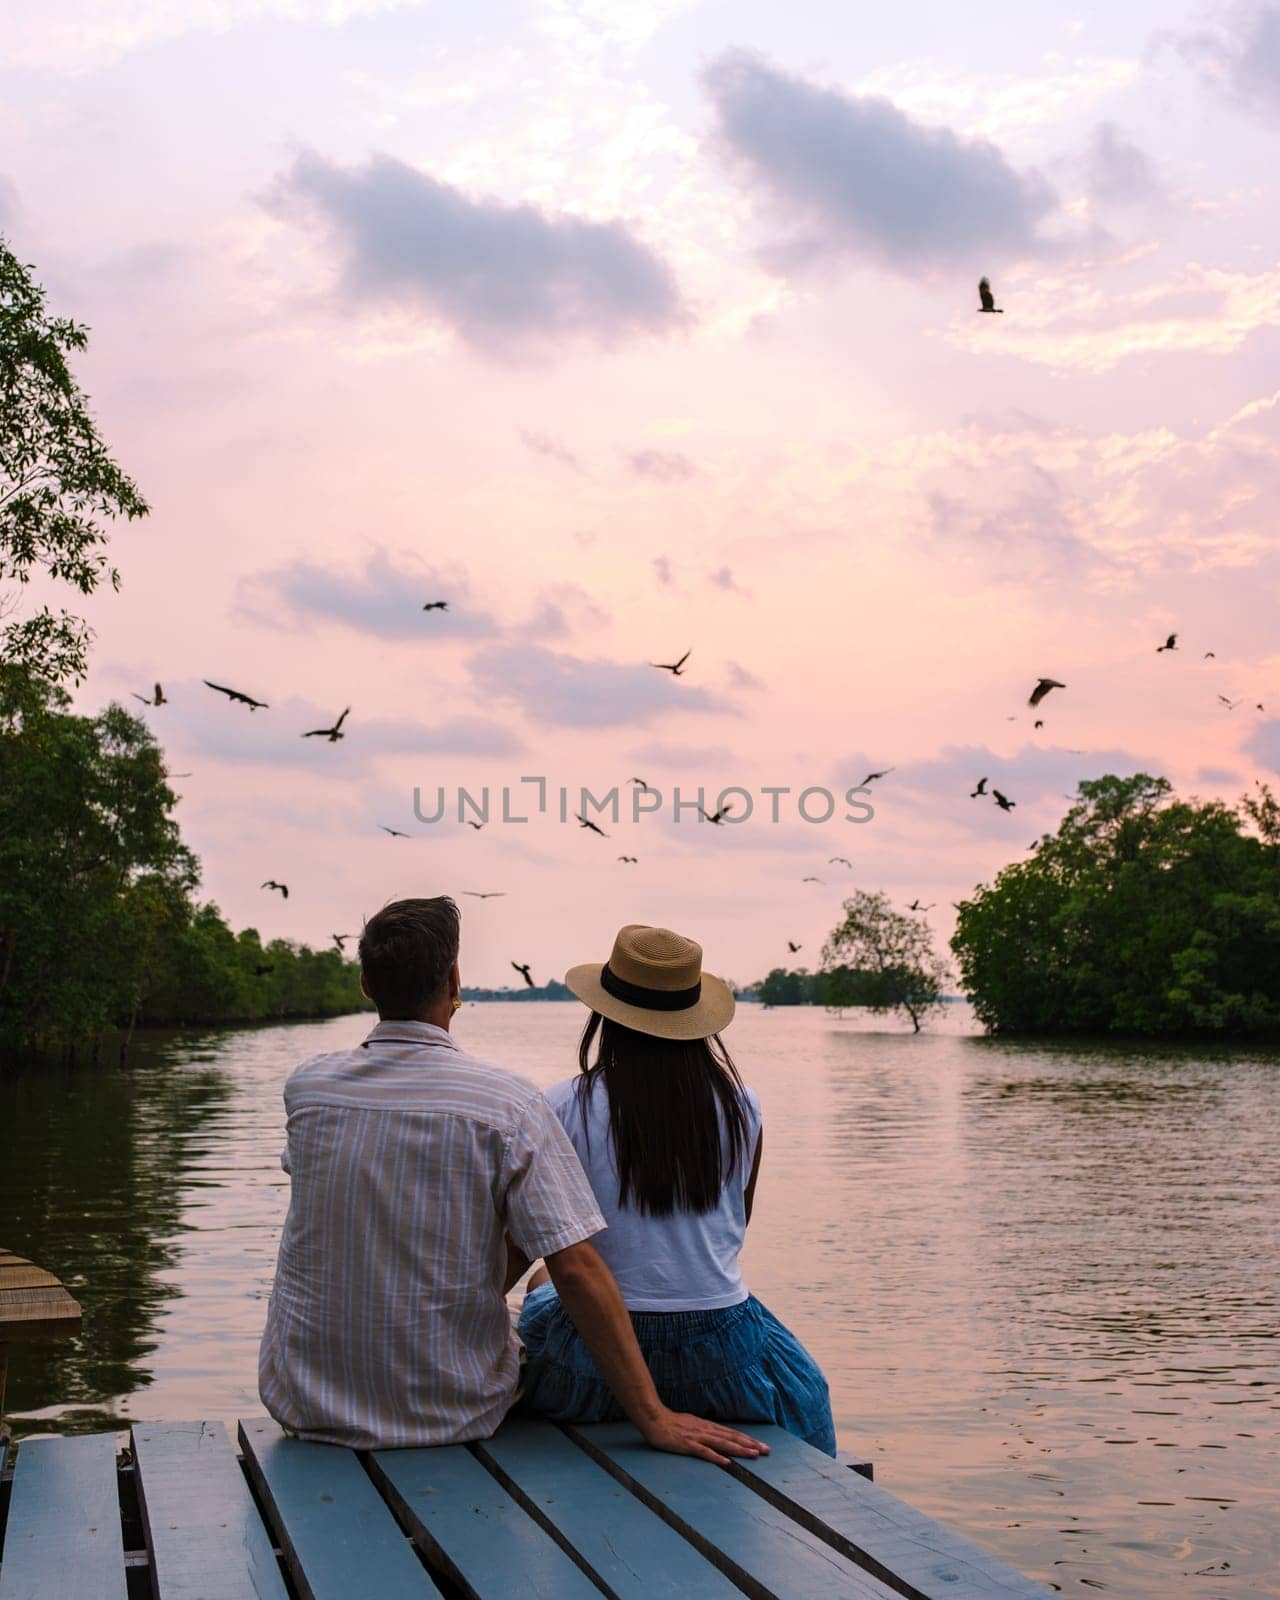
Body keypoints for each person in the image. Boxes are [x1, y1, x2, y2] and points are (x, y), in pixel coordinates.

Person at [258, 895, 767, 1465]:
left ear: (365, 985)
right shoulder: (508, 1104)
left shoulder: (307, 1090)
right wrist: (652, 1416)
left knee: (535, 1276)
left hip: (303, 1402)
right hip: (454, 1409)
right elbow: (588, 1265)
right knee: (553, 1270)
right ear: (454, 979)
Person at [518, 923, 837, 1455]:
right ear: (695, 1020)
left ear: (605, 1015)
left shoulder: (563, 1105)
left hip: (591, 1368)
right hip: (721, 1358)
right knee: (808, 1392)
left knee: (541, 1277)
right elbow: (733, 1232)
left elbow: (544, 1242)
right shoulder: (743, 1108)